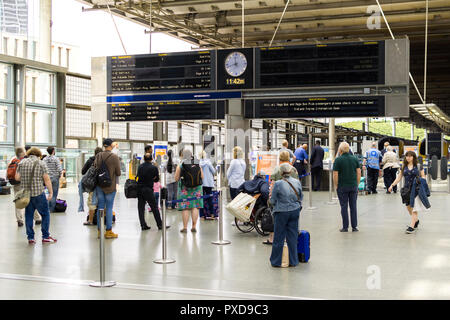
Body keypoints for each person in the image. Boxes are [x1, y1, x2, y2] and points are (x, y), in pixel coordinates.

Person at [15, 147, 57, 244]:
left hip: (26, 194)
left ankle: (31, 238)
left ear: (29, 154)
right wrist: (51, 193)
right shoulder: (41, 163)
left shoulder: (22, 163)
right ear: (38, 155)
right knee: (45, 214)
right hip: (38, 194)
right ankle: (45, 236)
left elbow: (17, 178)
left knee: (28, 216)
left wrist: (26, 179)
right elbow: (46, 179)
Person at [269, 163, 303, 268]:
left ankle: (276, 261)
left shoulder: (278, 184)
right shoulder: (297, 182)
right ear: (290, 171)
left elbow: (273, 200)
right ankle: (293, 261)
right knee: (292, 236)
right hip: (295, 211)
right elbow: (301, 196)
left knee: (279, 236)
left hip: (281, 212)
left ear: (281, 172)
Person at [388, 151, 428, 234]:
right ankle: (416, 221)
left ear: (413, 157)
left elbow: (423, 176)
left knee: (414, 208)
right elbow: (399, 178)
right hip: (406, 190)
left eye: (410, 156)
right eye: (407, 156)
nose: (408, 158)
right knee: (408, 207)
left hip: (416, 189)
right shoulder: (403, 166)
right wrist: (392, 185)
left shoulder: (418, 166)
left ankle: (411, 227)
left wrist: (422, 181)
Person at [264, 151, 299, 245]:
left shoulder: (276, 168)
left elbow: (273, 184)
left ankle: (273, 238)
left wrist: (270, 196)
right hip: (292, 198)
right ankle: (288, 238)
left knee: (276, 218)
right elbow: (297, 184)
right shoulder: (294, 169)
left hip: (280, 199)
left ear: (280, 158)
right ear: (288, 158)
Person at [94, 138, 121, 239]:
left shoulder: (98, 155)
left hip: (99, 185)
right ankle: (109, 231)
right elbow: (118, 172)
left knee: (100, 207)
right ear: (111, 146)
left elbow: (95, 168)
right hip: (110, 186)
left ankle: (99, 231)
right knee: (109, 208)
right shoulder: (114, 157)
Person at [9, 147, 41, 227]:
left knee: (18, 202)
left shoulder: (13, 161)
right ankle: (37, 218)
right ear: (23, 153)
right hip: (24, 184)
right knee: (30, 200)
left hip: (15, 184)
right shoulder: (25, 161)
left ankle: (19, 220)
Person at [333, 142, 361, 232]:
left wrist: (336, 185)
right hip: (353, 186)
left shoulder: (338, 160)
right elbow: (359, 173)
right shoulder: (354, 159)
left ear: (340, 150)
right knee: (353, 206)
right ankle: (354, 226)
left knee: (344, 206)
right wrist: (357, 183)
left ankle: (345, 227)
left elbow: (335, 175)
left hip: (342, 186)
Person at [175, 149, 204, 233]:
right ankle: (194, 226)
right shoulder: (197, 163)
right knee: (195, 207)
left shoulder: (181, 165)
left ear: (182, 155)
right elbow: (202, 176)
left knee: (186, 208)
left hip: (185, 189)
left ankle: (185, 227)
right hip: (197, 189)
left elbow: (176, 178)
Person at [136, 153, 167, 231]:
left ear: (144, 158)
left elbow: (138, 176)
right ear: (151, 159)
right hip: (148, 189)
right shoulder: (154, 167)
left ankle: (143, 225)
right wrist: (151, 179)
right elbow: (156, 179)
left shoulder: (140, 166)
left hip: (140, 189)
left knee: (141, 208)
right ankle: (160, 225)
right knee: (154, 208)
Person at [80, 147, 102, 225]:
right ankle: (103, 220)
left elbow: (83, 171)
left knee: (92, 203)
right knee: (102, 202)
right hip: (102, 185)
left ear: (94, 153)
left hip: (92, 186)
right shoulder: (104, 161)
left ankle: (90, 220)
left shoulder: (90, 161)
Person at [43, 147, 63, 213]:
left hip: (47, 178)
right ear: (53, 151)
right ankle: (52, 209)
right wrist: (59, 176)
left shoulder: (45, 159)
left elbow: (43, 168)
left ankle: (47, 208)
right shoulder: (56, 159)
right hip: (55, 178)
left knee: (48, 193)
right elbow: (59, 169)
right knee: (54, 194)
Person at [199, 150, 217, 220]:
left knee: (201, 200)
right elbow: (214, 171)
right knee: (210, 199)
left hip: (201, 183)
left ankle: (202, 216)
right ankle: (212, 214)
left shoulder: (198, 163)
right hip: (208, 183)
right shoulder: (208, 162)